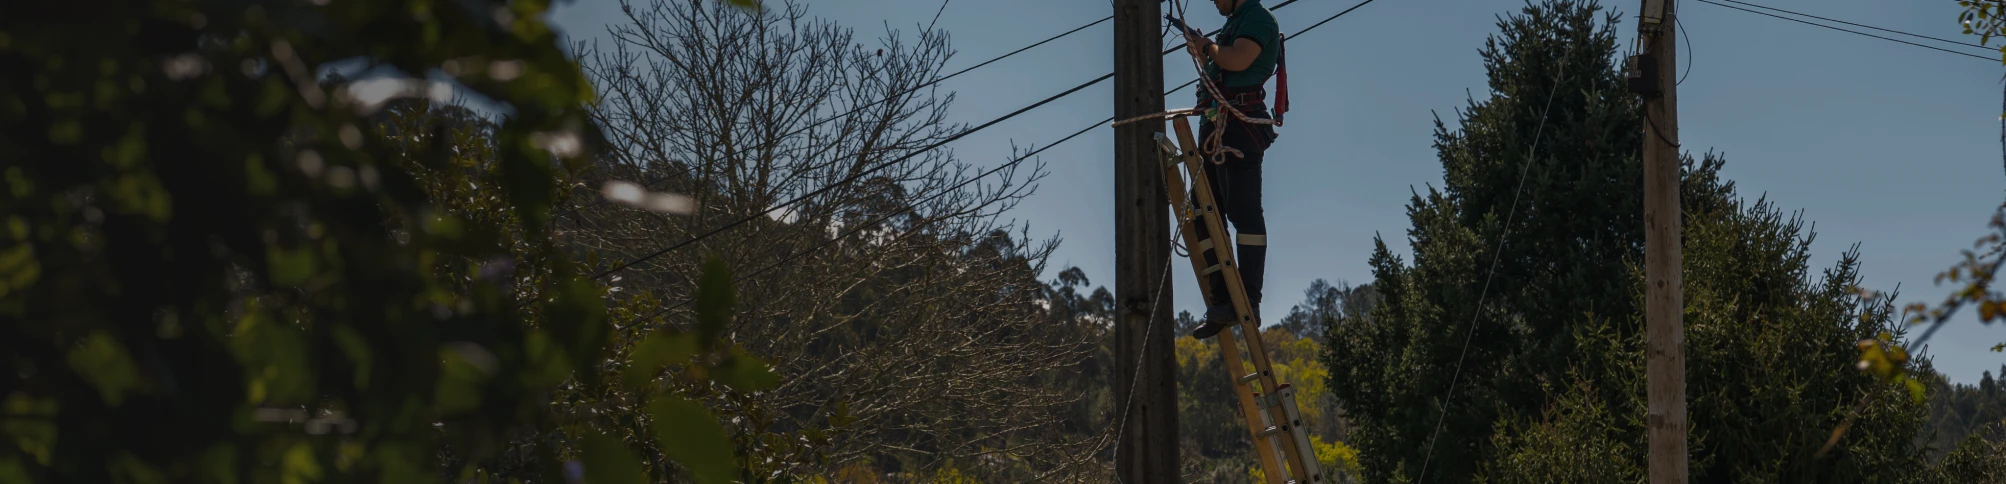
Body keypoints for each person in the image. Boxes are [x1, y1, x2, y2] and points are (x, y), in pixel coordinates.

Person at [1182, 0, 1283, 340]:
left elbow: (1238, 58)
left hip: (1238, 127)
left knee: (1244, 213)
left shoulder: (1257, 18)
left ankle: (1248, 301)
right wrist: (1205, 50)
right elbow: (1222, 61)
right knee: (1203, 213)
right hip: (1215, 126)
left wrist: (1207, 47)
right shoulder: (1236, 21)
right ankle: (1222, 302)